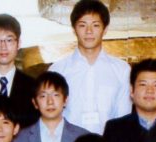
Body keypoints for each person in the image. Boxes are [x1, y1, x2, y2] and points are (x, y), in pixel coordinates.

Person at [49, 0, 129, 134]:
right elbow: (52, 117)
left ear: (105, 29)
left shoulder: (122, 70)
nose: (89, 31)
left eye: (95, 25)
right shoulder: (57, 70)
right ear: (74, 29)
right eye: (82, 25)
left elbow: (123, 118)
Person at [14, 72, 89, 142]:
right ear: (35, 103)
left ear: (65, 100)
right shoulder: (20, 139)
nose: (50, 102)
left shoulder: (82, 137)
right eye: (43, 96)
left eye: (56, 95)